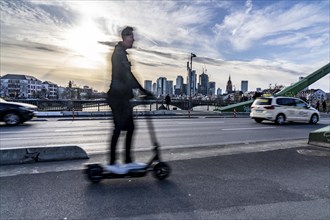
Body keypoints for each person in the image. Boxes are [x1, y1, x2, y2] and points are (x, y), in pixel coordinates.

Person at [106, 26, 152, 174]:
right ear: (125, 37)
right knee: (119, 128)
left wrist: (142, 92)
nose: (134, 39)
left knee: (129, 128)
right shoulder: (119, 53)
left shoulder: (122, 53)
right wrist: (143, 91)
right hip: (117, 97)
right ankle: (113, 163)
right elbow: (128, 76)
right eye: (131, 36)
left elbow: (128, 77)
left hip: (123, 97)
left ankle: (127, 160)